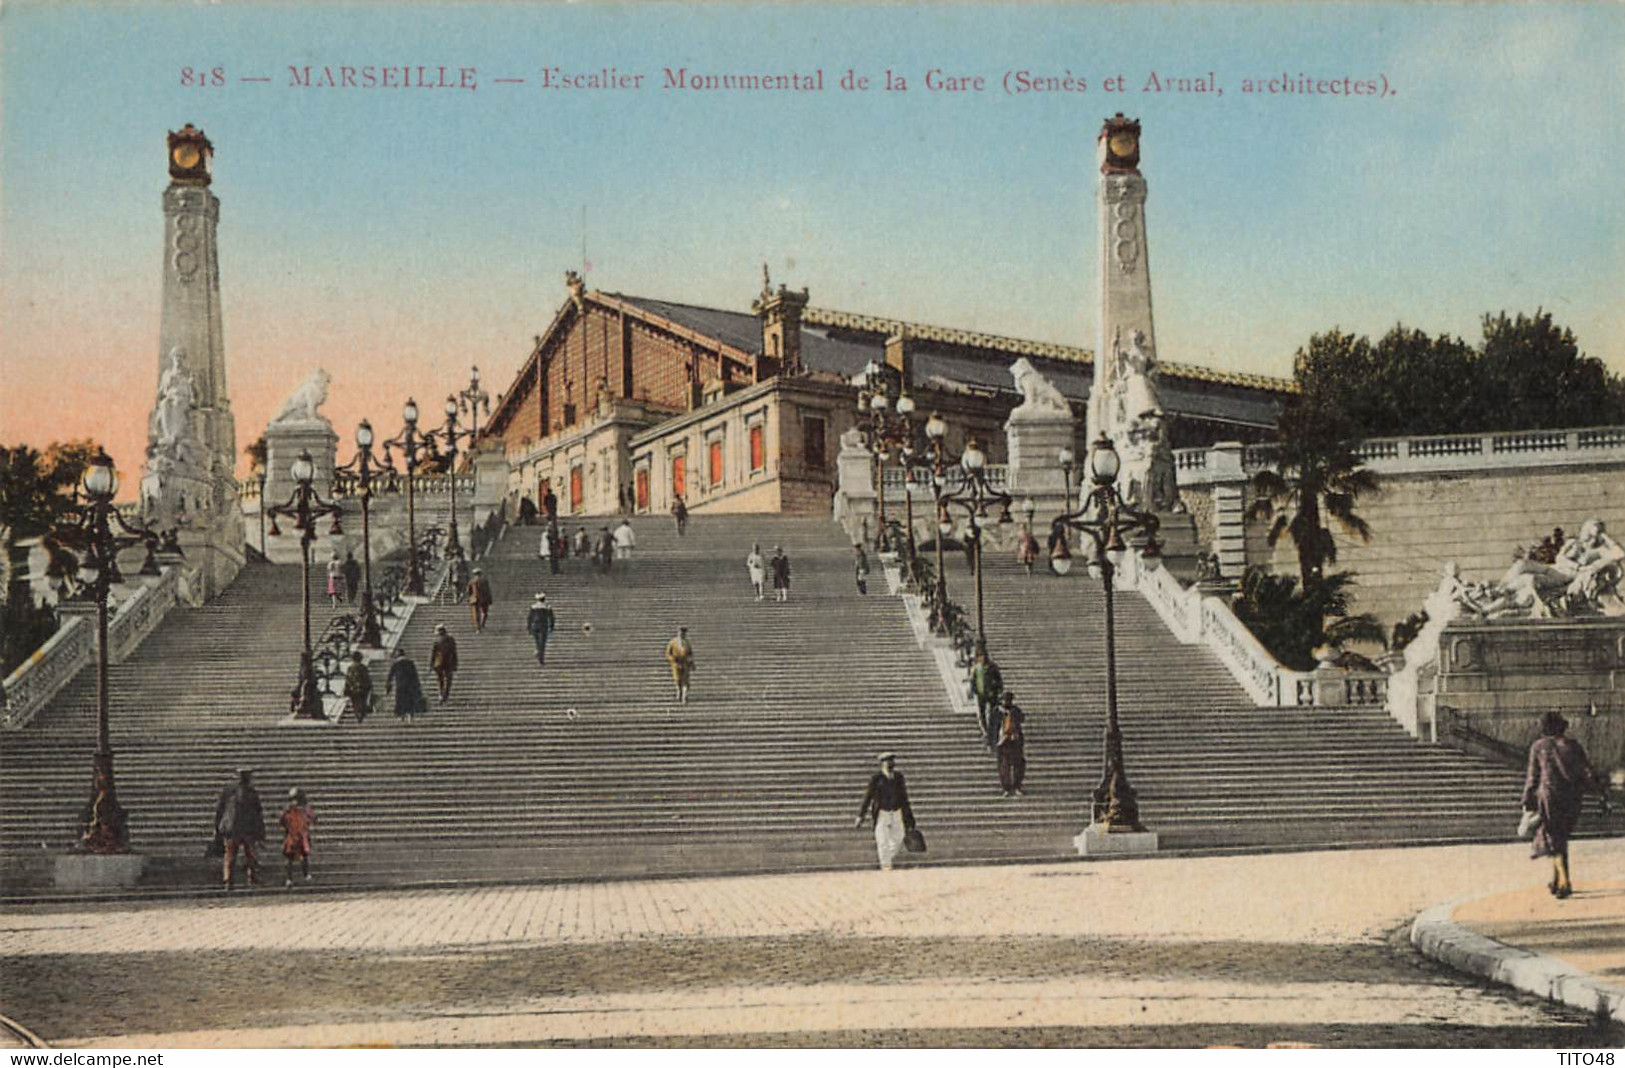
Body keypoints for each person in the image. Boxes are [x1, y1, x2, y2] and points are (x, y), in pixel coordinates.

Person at [1522, 711, 1603, 899]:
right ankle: (1556, 879)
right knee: (1560, 837)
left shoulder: (1539, 747)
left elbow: (1533, 776)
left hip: (1549, 797)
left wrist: (1527, 800)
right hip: (1572, 798)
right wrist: (1601, 794)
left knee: (1553, 838)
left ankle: (1565, 881)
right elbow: (1588, 771)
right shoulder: (1573, 746)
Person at [855, 753, 916, 872]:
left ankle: (887, 859)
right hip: (882, 813)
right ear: (882, 763)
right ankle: (886, 866)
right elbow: (868, 797)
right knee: (882, 840)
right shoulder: (876, 778)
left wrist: (910, 817)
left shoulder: (898, 777)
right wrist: (860, 815)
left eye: (891, 761)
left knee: (899, 838)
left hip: (897, 812)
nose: (890, 764)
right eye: (887, 761)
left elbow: (904, 797)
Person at [216, 768, 265, 890]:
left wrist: (218, 826)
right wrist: (260, 829)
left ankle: (229, 880)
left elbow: (220, 810)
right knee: (248, 854)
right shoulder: (251, 792)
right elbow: (258, 812)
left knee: (232, 856)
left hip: (233, 828)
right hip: (245, 828)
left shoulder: (228, 791)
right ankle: (250, 877)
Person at [279, 787, 316, 888]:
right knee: (292, 857)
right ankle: (295, 877)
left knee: (299, 857)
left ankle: (294, 878)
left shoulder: (292, 809)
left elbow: (282, 821)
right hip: (295, 835)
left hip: (297, 835)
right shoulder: (291, 810)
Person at [969, 644, 1004, 748]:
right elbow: (973, 680)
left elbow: (999, 679)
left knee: (991, 714)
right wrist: (973, 690)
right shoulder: (976, 668)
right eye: (980, 656)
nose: (982, 658)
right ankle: (985, 732)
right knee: (981, 714)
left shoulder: (992, 667)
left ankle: (990, 732)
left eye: (983, 656)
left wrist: (999, 690)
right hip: (981, 694)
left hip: (991, 694)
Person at [996, 691, 1026, 798]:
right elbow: (993, 727)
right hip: (1002, 742)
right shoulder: (997, 711)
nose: (1006, 702)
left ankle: (1017, 786)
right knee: (1004, 766)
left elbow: (1022, 719)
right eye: (1004, 700)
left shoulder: (1016, 710)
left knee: (1018, 764)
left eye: (1008, 700)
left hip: (1015, 740)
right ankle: (1006, 788)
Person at [386, 647, 428, 722]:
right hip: (410, 685)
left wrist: (388, 686)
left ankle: (401, 716)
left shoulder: (395, 664)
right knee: (409, 700)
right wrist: (418, 685)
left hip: (400, 685)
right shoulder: (410, 663)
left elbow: (390, 676)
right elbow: (415, 675)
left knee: (400, 700)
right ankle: (410, 716)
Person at [665, 625, 695, 704]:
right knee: (677, 679)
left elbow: (690, 654)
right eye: (680, 633)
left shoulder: (687, 643)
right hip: (676, 664)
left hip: (685, 664)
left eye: (683, 633)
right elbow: (668, 653)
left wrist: (691, 663)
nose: (682, 634)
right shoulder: (673, 642)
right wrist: (672, 660)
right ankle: (679, 691)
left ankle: (684, 696)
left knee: (685, 680)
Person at [342, 650, 374, 723]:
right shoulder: (363, 667)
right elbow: (367, 677)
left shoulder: (350, 668)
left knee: (355, 703)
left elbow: (348, 678)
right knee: (363, 702)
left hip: (353, 688)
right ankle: (361, 714)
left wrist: (347, 687)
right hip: (363, 687)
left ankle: (357, 715)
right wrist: (370, 686)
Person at [431, 622, 459, 702]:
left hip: (438, 663)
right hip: (449, 661)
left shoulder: (436, 640)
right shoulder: (451, 640)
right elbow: (454, 652)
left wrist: (431, 664)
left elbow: (433, 653)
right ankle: (445, 694)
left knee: (440, 679)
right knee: (449, 679)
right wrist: (455, 663)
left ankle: (440, 694)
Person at [527, 592, 556, 666]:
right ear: (544, 599)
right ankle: (541, 659)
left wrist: (529, 627)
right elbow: (551, 618)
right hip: (543, 626)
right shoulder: (547, 607)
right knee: (542, 644)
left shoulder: (533, 607)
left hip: (535, 626)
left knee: (537, 642)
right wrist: (552, 626)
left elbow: (529, 618)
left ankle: (538, 652)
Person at [466, 567, 493, 632]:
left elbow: (468, 591)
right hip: (484, 598)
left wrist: (470, 597)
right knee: (484, 612)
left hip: (475, 599)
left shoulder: (472, 581)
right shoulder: (485, 581)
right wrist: (489, 598)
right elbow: (488, 590)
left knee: (476, 614)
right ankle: (482, 624)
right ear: (480, 573)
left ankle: (477, 628)